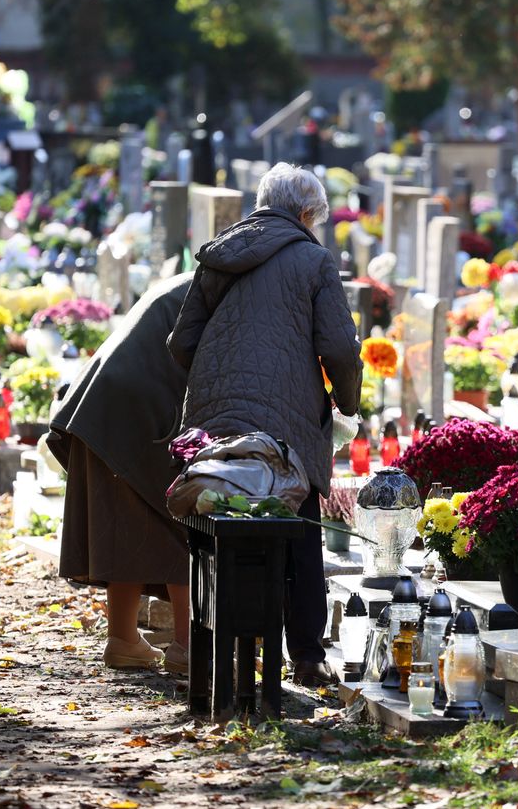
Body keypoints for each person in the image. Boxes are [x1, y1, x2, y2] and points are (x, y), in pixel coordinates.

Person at [168, 162, 362, 687]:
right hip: (285, 426)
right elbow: (341, 349)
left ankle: (218, 650)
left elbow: (181, 342)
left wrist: (217, 386)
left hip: (213, 426)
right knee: (297, 529)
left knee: (219, 524)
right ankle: (304, 656)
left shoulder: (220, 254)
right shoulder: (314, 261)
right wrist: (345, 404)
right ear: (304, 214)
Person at [48, 272, 194, 673]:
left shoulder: (197, 277)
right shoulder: (230, 287)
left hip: (101, 399)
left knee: (125, 522)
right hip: (136, 401)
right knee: (183, 519)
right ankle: (189, 645)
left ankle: (124, 639)